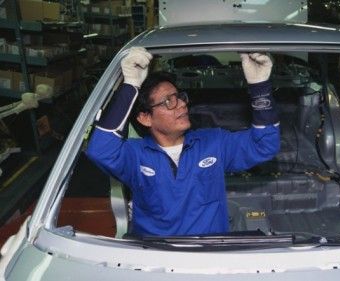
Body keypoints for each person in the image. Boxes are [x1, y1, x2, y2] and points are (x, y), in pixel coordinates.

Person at [86, 47, 280, 236]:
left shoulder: (213, 142)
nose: (182, 104)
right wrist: (130, 85)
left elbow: (265, 145)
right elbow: (100, 150)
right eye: (168, 102)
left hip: (209, 253)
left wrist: (260, 87)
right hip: (154, 254)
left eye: (179, 97)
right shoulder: (135, 155)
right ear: (145, 118)